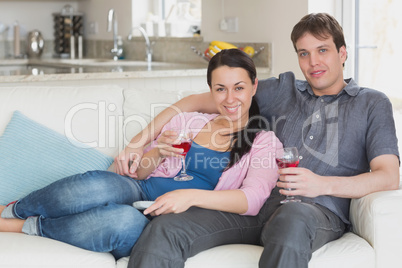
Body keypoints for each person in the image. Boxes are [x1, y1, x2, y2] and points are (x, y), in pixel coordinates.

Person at [117, 13, 400, 268]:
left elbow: (389, 176)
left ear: (342, 53)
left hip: (314, 212)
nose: (313, 62)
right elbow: (194, 102)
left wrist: (323, 184)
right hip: (255, 208)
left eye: (322, 50)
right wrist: (138, 142)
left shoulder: (371, 104)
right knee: (167, 227)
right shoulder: (282, 89)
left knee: (293, 219)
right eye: (304, 53)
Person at [0, 49, 282, 260]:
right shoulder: (189, 121)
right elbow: (139, 172)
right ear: (211, 90)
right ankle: (14, 209)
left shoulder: (264, 141)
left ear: (254, 86)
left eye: (239, 88)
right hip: (140, 188)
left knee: (121, 221)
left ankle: (27, 227)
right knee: (97, 185)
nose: (230, 99)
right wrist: (157, 152)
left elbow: (253, 199)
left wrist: (190, 196)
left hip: (168, 220)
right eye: (220, 89)